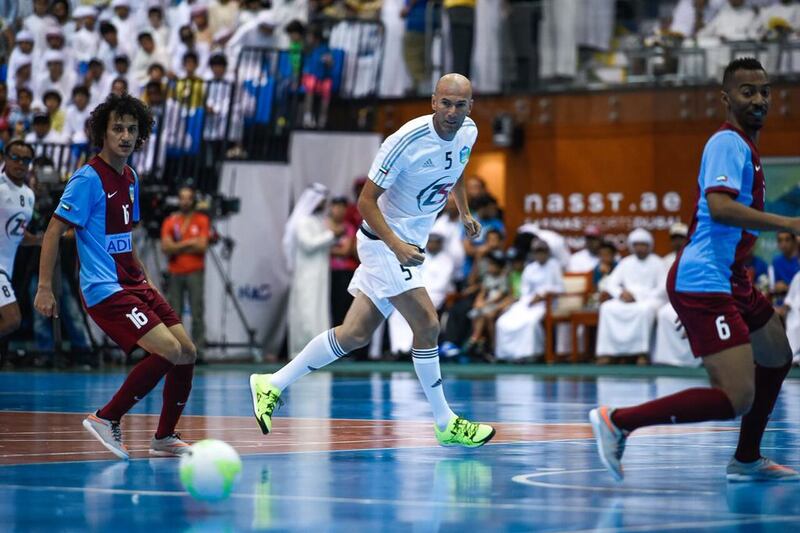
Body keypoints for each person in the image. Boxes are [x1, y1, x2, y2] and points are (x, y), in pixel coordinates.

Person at [249, 74, 495, 447]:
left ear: (470, 107)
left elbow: (456, 169)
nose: (452, 111)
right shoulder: (404, 142)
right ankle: (446, 422)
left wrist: (463, 211)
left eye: (460, 105)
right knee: (428, 325)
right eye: (445, 103)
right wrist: (395, 244)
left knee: (354, 335)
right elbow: (365, 202)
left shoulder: (468, 132)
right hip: (383, 242)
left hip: (406, 244)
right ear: (433, 101)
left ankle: (272, 383)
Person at [590, 58, 800, 483]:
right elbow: (721, 209)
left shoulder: (747, 147)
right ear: (726, 98)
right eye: (747, 91)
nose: (759, 99)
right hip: (704, 278)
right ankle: (619, 420)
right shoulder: (727, 143)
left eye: (764, 91)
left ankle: (746, 460)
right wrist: (789, 223)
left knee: (777, 355)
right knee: (738, 396)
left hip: (731, 276)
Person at [34, 94, 197, 460]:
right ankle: (106, 418)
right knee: (168, 350)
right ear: (103, 134)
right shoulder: (87, 178)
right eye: (117, 128)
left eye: (132, 129)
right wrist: (45, 288)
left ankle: (164, 437)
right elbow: (51, 232)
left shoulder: (131, 177)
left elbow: (125, 238)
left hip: (133, 282)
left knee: (187, 352)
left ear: (140, 136)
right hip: (104, 289)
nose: (125, 136)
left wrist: (146, 278)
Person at [595, 228, 666, 365]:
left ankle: (642, 354)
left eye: (643, 245)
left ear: (649, 246)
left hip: (649, 299)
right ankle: (608, 353)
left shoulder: (657, 262)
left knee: (644, 310)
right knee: (607, 308)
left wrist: (638, 297)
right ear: (632, 246)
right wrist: (621, 293)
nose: (639, 248)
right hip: (626, 299)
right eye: (636, 245)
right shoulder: (626, 262)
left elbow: (663, 288)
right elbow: (611, 283)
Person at [284, 184, 336, 357]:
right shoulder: (302, 221)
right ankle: (303, 351)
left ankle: (319, 351)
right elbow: (308, 244)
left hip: (319, 274)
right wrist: (331, 235)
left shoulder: (318, 221)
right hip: (306, 275)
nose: (324, 203)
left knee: (317, 310)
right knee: (306, 312)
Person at [160, 185, 210, 364]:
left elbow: (202, 246)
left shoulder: (201, 220)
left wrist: (177, 246)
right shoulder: (170, 221)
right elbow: (166, 247)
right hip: (175, 272)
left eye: (188, 197)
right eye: (182, 197)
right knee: (175, 314)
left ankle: (199, 352)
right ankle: (178, 351)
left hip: (195, 271)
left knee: (197, 312)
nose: (185, 201)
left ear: (193, 200)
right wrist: (190, 243)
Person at [494, 239, 563, 361]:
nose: (540, 255)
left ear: (547, 252)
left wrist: (542, 295)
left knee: (530, 322)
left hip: (547, 303)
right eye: (537, 252)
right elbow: (524, 290)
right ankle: (507, 354)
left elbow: (560, 288)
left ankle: (529, 354)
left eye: (543, 252)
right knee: (503, 321)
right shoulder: (530, 268)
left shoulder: (554, 266)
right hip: (528, 302)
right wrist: (530, 299)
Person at [0, 141, 37, 340]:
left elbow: (18, 234)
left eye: (25, 159)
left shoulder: (29, 195)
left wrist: (43, 241)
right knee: (12, 319)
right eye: (15, 157)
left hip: (7, 269)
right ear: (5, 158)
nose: (20, 163)